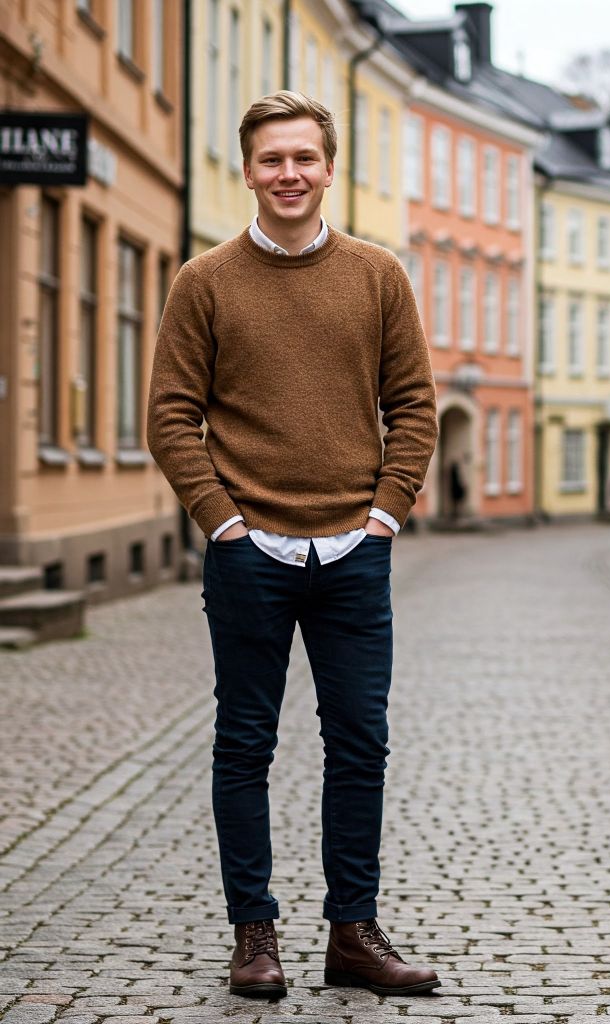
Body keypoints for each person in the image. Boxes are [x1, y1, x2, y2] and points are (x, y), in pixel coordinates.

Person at [147, 92, 439, 1001]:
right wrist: (223, 524)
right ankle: (253, 936)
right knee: (244, 745)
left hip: (354, 551)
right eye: (272, 159)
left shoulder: (378, 275)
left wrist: (384, 517)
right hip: (249, 555)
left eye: (304, 158)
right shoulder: (204, 281)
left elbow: (416, 409)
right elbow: (169, 416)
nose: (288, 175)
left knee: (360, 745)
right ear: (247, 169)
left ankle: (353, 933)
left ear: (328, 166)